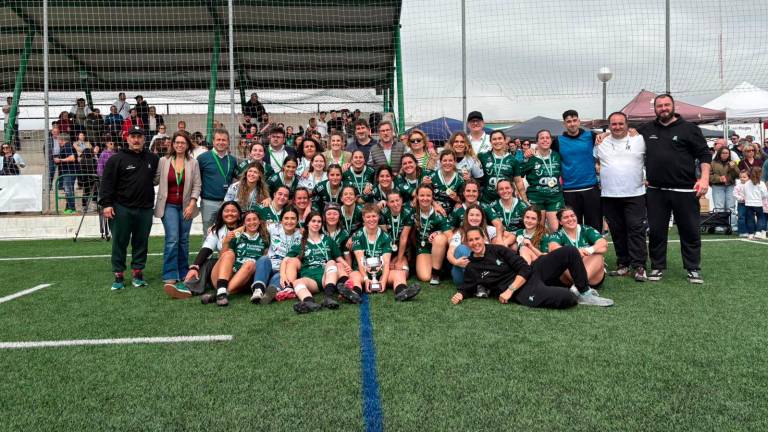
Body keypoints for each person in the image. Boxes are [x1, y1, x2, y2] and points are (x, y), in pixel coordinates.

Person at [638, 94, 711, 284]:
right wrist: (603, 134)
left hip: (685, 190)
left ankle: (693, 268)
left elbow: (704, 155)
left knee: (690, 231)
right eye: (659, 106)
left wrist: (704, 179)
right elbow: (625, 134)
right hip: (656, 191)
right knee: (656, 231)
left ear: (673, 106)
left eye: (666, 105)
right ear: (654, 108)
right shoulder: (646, 129)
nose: (663, 108)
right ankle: (657, 267)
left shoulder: (690, 129)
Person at [451, 227, 613, 308]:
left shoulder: (498, 249)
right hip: (524, 291)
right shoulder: (472, 266)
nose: (475, 243)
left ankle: (584, 292)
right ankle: (570, 293)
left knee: (569, 251)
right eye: (471, 240)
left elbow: (524, 267)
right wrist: (460, 295)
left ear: (483, 238)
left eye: (477, 238)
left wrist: (509, 290)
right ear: (467, 243)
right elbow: (468, 286)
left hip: (528, 274)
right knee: (567, 298)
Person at [99, 125, 160, 291]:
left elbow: (156, 179)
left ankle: (138, 273)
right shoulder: (116, 159)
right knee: (120, 242)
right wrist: (106, 204)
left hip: (145, 208)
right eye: (133, 136)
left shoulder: (153, 159)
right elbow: (106, 183)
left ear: (144, 139)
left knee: (141, 242)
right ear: (127, 139)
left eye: (139, 136)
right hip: (122, 208)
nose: (136, 139)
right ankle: (118, 275)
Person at [593, 111, 648, 282]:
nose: (617, 127)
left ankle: (639, 266)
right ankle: (623, 264)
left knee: (636, 230)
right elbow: (594, 159)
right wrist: (602, 135)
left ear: (627, 124)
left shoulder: (639, 140)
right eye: (613, 124)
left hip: (635, 194)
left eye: (620, 124)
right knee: (617, 231)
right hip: (610, 195)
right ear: (609, 126)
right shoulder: (600, 143)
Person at [153, 131, 201, 292]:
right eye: (177, 142)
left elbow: (197, 185)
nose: (180, 145)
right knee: (173, 238)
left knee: (184, 240)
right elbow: (155, 179)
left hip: (187, 206)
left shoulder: (193, 163)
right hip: (168, 205)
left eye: (183, 142)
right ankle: (169, 273)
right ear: (172, 144)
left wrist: (192, 204)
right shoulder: (163, 161)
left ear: (188, 145)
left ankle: (183, 271)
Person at [349, 204, 421, 301]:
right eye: (368, 217)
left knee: (400, 274)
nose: (371, 219)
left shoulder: (386, 237)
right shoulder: (357, 236)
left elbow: (386, 262)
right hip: (363, 272)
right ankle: (354, 294)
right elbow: (360, 260)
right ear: (363, 218)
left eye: (374, 216)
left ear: (378, 217)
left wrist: (383, 280)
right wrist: (366, 279)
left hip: (381, 271)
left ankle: (402, 292)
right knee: (354, 275)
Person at [285, 212, 351, 313]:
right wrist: (282, 275)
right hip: (311, 278)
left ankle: (328, 297)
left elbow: (339, 258)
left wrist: (348, 268)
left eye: (319, 221)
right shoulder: (301, 242)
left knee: (332, 262)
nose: (316, 224)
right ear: (307, 223)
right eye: (313, 221)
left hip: (326, 276)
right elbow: (286, 260)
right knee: (298, 282)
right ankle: (309, 302)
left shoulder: (328, 240)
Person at [552, 110, 602, 231]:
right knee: (571, 228)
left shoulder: (590, 136)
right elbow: (544, 152)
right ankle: (574, 251)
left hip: (590, 188)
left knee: (594, 227)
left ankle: (594, 249)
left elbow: (611, 136)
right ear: (564, 124)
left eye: (574, 120)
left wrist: (604, 135)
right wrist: (531, 151)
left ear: (579, 121)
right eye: (569, 121)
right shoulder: (558, 141)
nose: (572, 124)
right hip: (569, 191)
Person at [548, 207, 608, 287]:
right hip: (569, 277)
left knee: (598, 256)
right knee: (562, 258)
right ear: (560, 222)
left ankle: (579, 286)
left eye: (572, 216)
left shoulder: (586, 229)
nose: (570, 219)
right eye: (566, 217)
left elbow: (603, 244)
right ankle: (582, 286)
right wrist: (575, 252)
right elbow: (552, 247)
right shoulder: (557, 234)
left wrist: (589, 250)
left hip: (591, 276)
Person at [519, 129, 563, 231]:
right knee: (538, 230)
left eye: (547, 138)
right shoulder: (531, 157)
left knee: (556, 229)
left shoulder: (556, 155)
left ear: (551, 140)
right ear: (537, 141)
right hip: (536, 197)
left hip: (554, 197)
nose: (545, 140)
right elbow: (520, 174)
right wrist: (525, 159)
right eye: (542, 138)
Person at [446, 204, 497, 288]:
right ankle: (480, 285)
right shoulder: (460, 233)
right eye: (471, 215)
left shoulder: (489, 230)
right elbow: (450, 253)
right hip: (462, 273)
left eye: (477, 215)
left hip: (484, 268)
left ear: (482, 217)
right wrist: (456, 262)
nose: (474, 218)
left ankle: (479, 284)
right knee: (461, 248)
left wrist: (502, 241)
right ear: (467, 217)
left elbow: (510, 235)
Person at [197, 128, 238, 231]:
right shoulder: (202, 158)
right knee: (208, 232)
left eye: (224, 140)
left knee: (227, 232)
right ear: (213, 141)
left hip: (227, 202)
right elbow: (197, 180)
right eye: (218, 140)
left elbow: (235, 180)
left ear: (228, 142)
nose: (221, 142)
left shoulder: (232, 160)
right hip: (208, 202)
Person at [413, 184, 452, 284]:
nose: (425, 198)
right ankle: (439, 267)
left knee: (440, 239)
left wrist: (439, 232)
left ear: (432, 197)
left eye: (428, 196)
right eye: (422, 195)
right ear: (417, 196)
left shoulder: (439, 213)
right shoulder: (412, 211)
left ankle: (436, 273)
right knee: (425, 277)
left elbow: (450, 236)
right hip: (423, 247)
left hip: (437, 246)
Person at [478, 130, 520, 203]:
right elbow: (469, 156)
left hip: (506, 199)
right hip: (487, 200)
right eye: (494, 139)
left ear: (504, 140)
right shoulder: (482, 156)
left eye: (500, 138)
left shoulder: (513, 160)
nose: (497, 141)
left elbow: (518, 181)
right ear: (490, 142)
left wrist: (525, 200)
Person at [709, 147, 740, 230]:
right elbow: (709, 176)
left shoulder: (732, 163)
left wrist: (733, 168)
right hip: (717, 186)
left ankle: (733, 225)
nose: (725, 154)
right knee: (719, 206)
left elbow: (738, 175)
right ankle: (720, 225)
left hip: (730, 186)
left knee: (731, 206)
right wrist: (719, 178)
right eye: (723, 153)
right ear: (719, 153)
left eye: (727, 153)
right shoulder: (713, 163)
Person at [488, 179, 527, 244]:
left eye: (507, 188)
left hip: (518, 238)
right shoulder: (493, 206)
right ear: (497, 191)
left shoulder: (523, 206)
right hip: (501, 237)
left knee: (514, 247)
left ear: (512, 189)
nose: (505, 191)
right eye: (501, 189)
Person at [734, 168, 767, 239]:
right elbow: (765, 194)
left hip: (748, 204)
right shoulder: (762, 183)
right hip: (758, 204)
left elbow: (744, 193)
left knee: (750, 219)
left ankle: (751, 234)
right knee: (760, 218)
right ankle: (758, 232)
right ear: (760, 175)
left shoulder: (746, 184)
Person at [54, 133, 78, 214]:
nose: (58, 142)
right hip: (68, 171)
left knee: (68, 190)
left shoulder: (68, 146)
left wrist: (60, 160)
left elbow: (72, 158)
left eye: (58, 140)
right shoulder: (67, 146)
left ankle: (72, 208)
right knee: (68, 189)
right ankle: (68, 207)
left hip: (69, 172)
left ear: (62, 140)